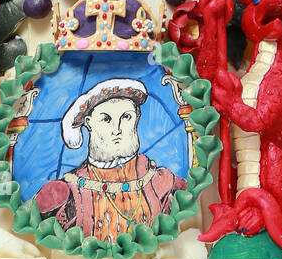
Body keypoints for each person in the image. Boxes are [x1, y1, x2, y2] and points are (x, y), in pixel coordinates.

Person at [35, 80, 185, 238]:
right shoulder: (64, 192)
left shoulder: (161, 181)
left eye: (126, 117)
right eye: (106, 119)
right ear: (88, 123)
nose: (117, 129)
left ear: (137, 117)